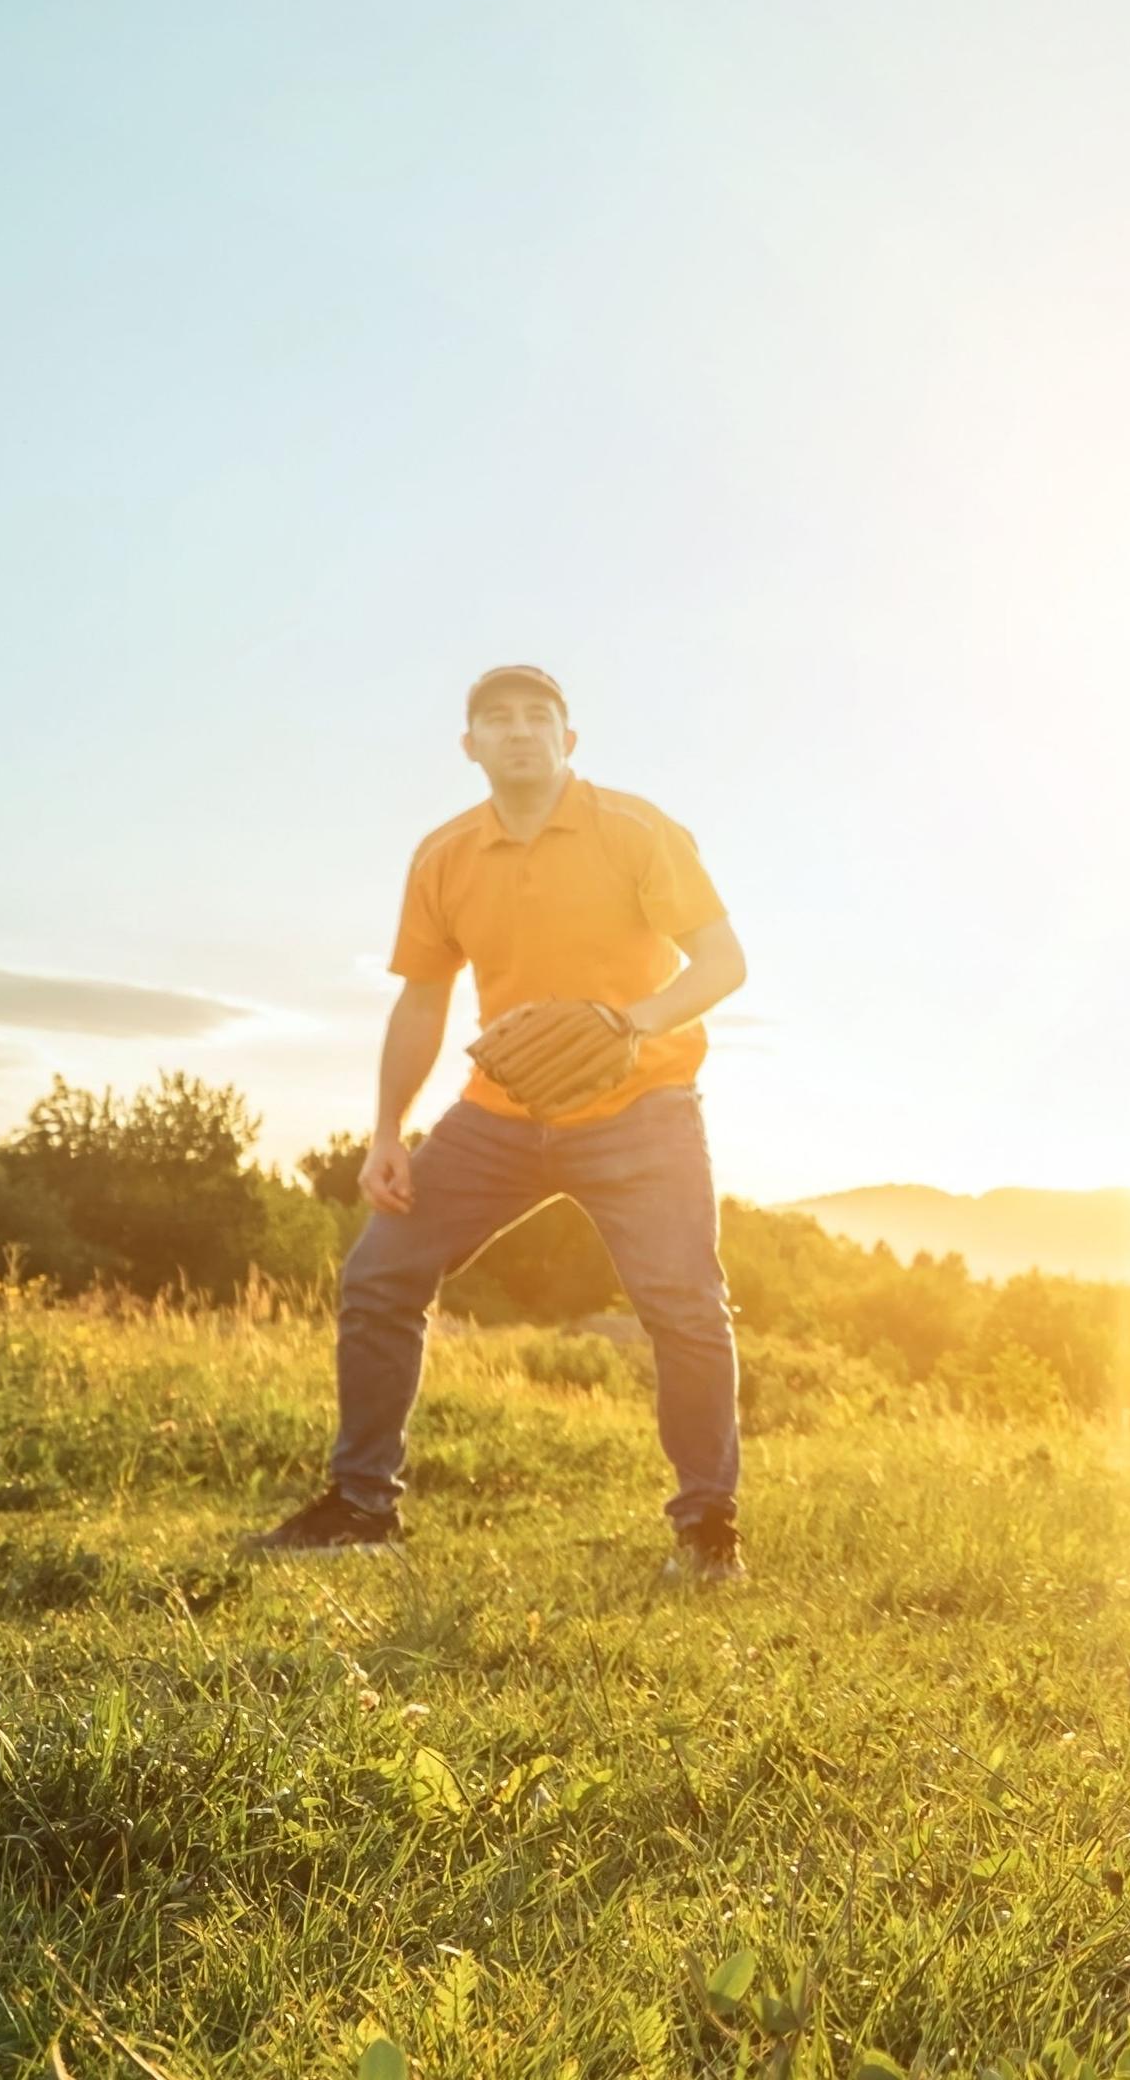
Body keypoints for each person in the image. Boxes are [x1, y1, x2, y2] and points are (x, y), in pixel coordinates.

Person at [248, 665, 756, 1582]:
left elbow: (723, 963)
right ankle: (361, 1504)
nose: (519, 731)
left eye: (538, 718)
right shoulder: (444, 856)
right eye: (497, 719)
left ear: (569, 741)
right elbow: (421, 1003)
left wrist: (628, 1024)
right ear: (470, 746)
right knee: (379, 1275)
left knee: (683, 1307)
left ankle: (706, 1527)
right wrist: (387, 1133)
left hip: (643, 1108)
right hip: (502, 1115)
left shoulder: (636, 830)